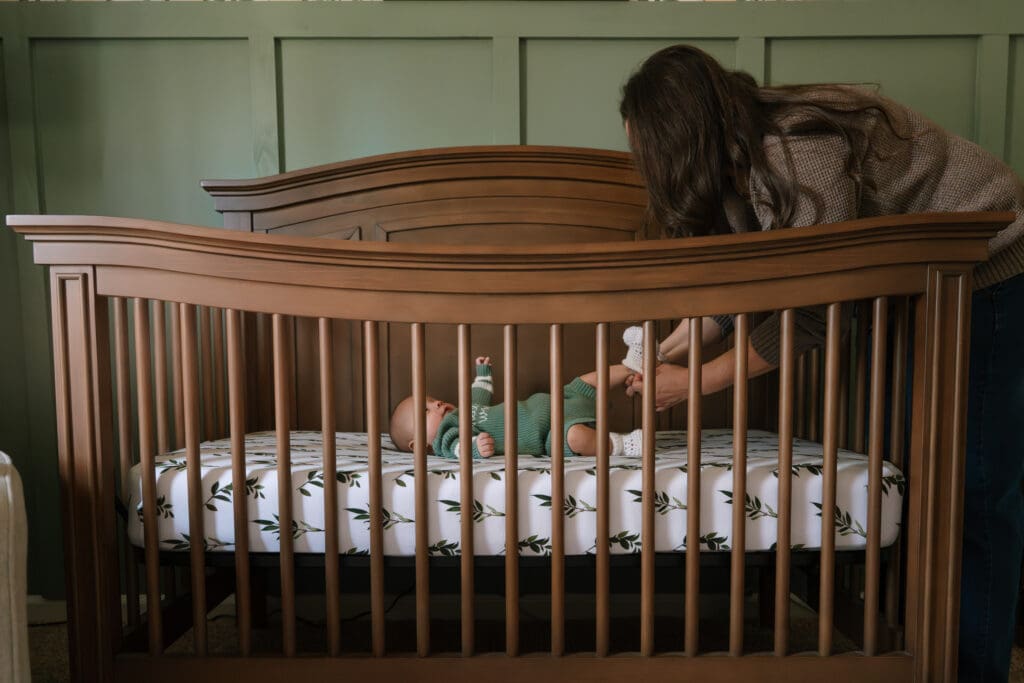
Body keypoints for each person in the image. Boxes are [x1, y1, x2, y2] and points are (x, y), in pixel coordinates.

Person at [616, 44, 1024, 682]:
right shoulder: (737, 170)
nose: (650, 168)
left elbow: (810, 310)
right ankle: (922, 643)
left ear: (682, 134)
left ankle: (974, 669)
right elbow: (760, 280)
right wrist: (683, 341)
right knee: (923, 468)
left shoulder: (795, 147)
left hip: (988, 267)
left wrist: (693, 384)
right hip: (921, 284)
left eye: (651, 152)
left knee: (973, 484)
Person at [389, 356, 643, 459]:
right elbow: (458, 449)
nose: (436, 404)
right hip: (550, 433)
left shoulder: (464, 412)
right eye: (426, 411)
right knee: (574, 438)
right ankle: (620, 444)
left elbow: (478, 395)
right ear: (420, 445)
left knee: (582, 383)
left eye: (432, 399)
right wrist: (475, 448)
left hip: (556, 401)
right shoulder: (445, 438)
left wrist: (483, 373)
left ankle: (633, 366)